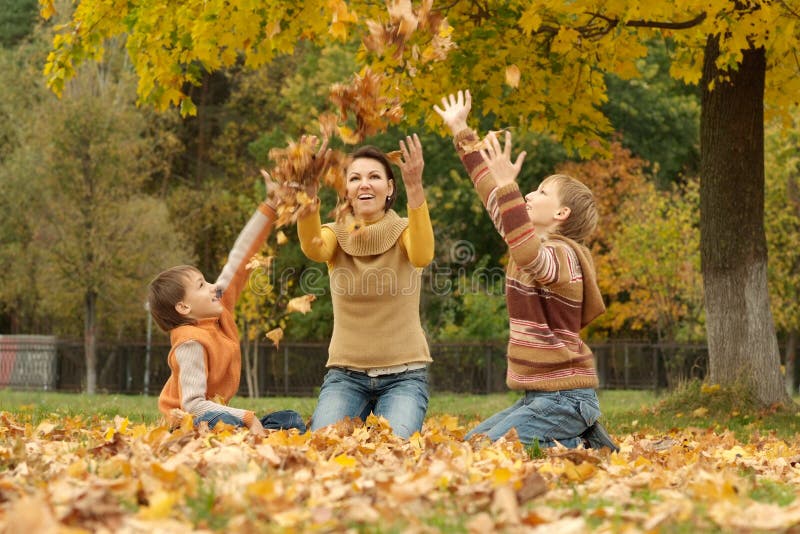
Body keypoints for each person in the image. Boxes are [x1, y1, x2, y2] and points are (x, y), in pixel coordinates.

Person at [434, 90, 618, 451]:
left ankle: (581, 443)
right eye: (529, 191)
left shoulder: (563, 256)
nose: (529, 196)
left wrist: (509, 186)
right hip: (538, 396)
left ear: (561, 214)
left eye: (541, 192)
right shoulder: (525, 243)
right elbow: (493, 198)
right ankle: (580, 437)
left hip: (565, 398)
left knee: (487, 450)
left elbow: (534, 257)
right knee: (471, 443)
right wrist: (462, 132)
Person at [296, 134, 434, 439]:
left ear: (390, 188)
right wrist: (308, 192)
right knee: (324, 447)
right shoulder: (335, 234)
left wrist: (415, 189)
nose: (365, 184)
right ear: (346, 191)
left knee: (392, 450)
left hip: (405, 376)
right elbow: (312, 247)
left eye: (374, 176)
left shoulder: (405, 232)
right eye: (355, 178)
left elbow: (423, 255)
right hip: (345, 376)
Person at [149, 176, 305, 437]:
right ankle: (244, 433)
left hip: (215, 417)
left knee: (291, 420)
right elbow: (194, 406)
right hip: (186, 423)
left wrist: (271, 205)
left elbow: (238, 259)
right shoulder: (190, 343)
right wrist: (246, 417)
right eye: (201, 285)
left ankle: (248, 434)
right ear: (184, 308)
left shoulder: (217, 313)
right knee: (226, 423)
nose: (212, 287)